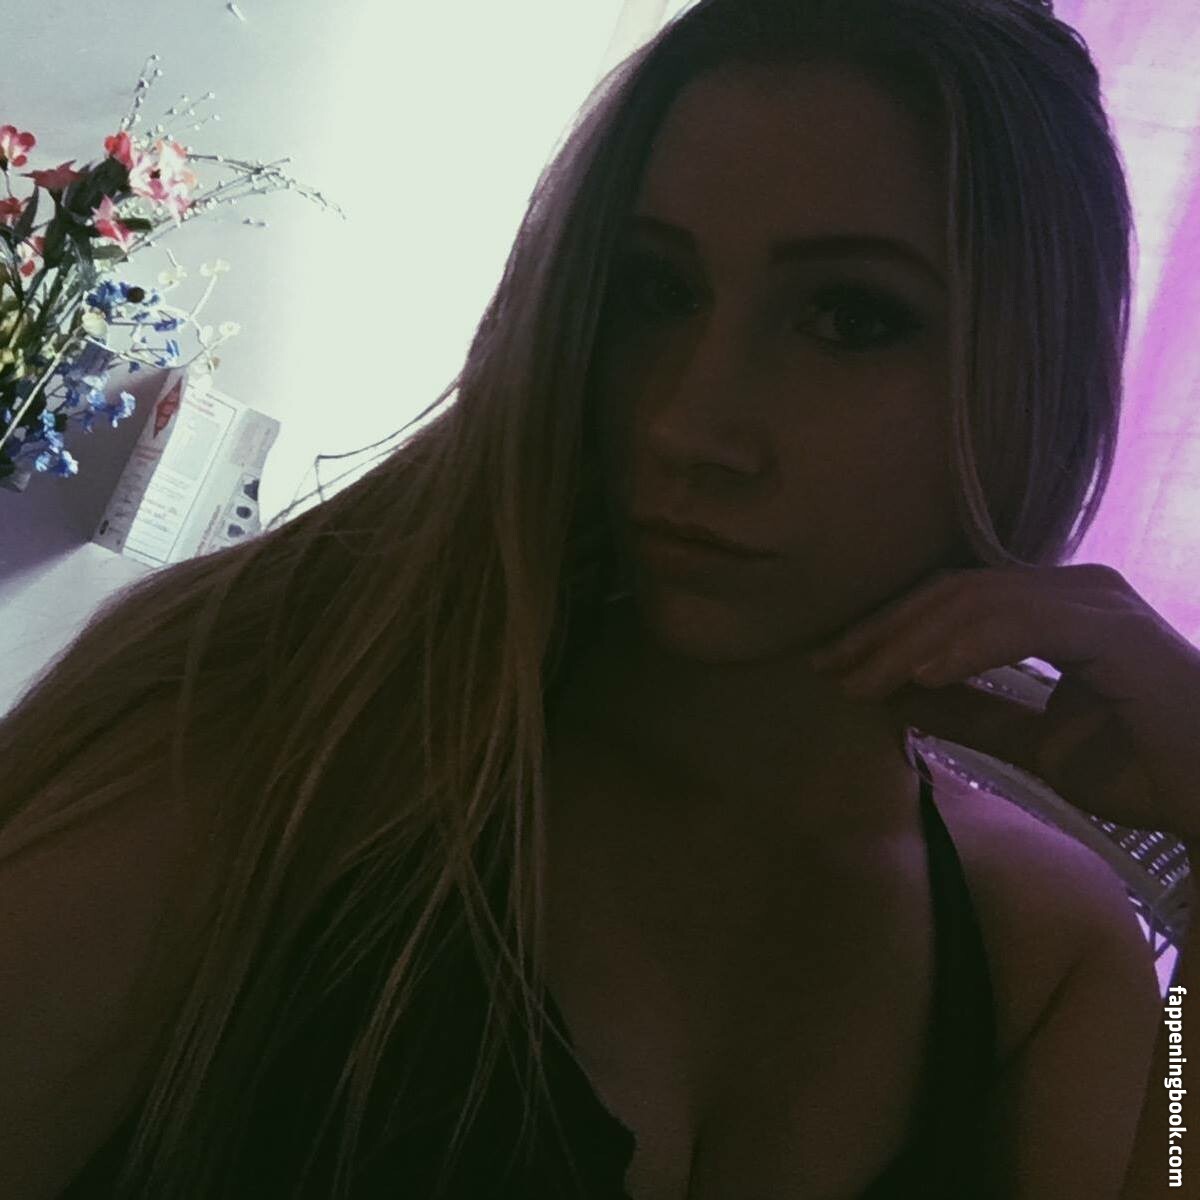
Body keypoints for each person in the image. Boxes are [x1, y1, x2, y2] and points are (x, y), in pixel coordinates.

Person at [1, 1, 1190, 1197]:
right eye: (652, 290)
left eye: (849, 318)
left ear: (1034, 376)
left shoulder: (1043, 955)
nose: (689, 425)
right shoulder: (282, 730)